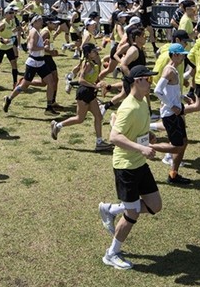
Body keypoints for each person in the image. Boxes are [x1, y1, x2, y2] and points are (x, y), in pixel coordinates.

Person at [97, 65, 169, 271]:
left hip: (139, 163)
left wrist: (150, 135)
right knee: (132, 214)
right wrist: (141, 148)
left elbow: (139, 127)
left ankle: (111, 209)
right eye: (148, 79)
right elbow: (114, 137)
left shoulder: (142, 103)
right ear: (137, 81)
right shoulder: (128, 106)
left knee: (155, 205)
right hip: (126, 166)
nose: (151, 82)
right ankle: (111, 254)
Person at [50, 43, 113, 152]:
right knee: (80, 119)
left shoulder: (94, 62)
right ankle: (58, 125)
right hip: (84, 93)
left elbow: (92, 77)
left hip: (91, 92)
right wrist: (94, 85)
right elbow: (81, 80)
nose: (96, 52)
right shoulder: (87, 64)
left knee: (98, 116)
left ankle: (99, 142)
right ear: (89, 54)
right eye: (93, 51)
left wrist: (99, 83)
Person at [153, 43, 192, 183]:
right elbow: (157, 90)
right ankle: (146, 147)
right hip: (170, 114)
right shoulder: (169, 70)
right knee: (177, 146)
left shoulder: (174, 70)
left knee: (184, 142)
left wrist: (182, 97)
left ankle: (173, 174)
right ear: (175, 55)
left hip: (176, 110)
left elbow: (170, 91)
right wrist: (171, 105)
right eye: (182, 55)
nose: (183, 57)